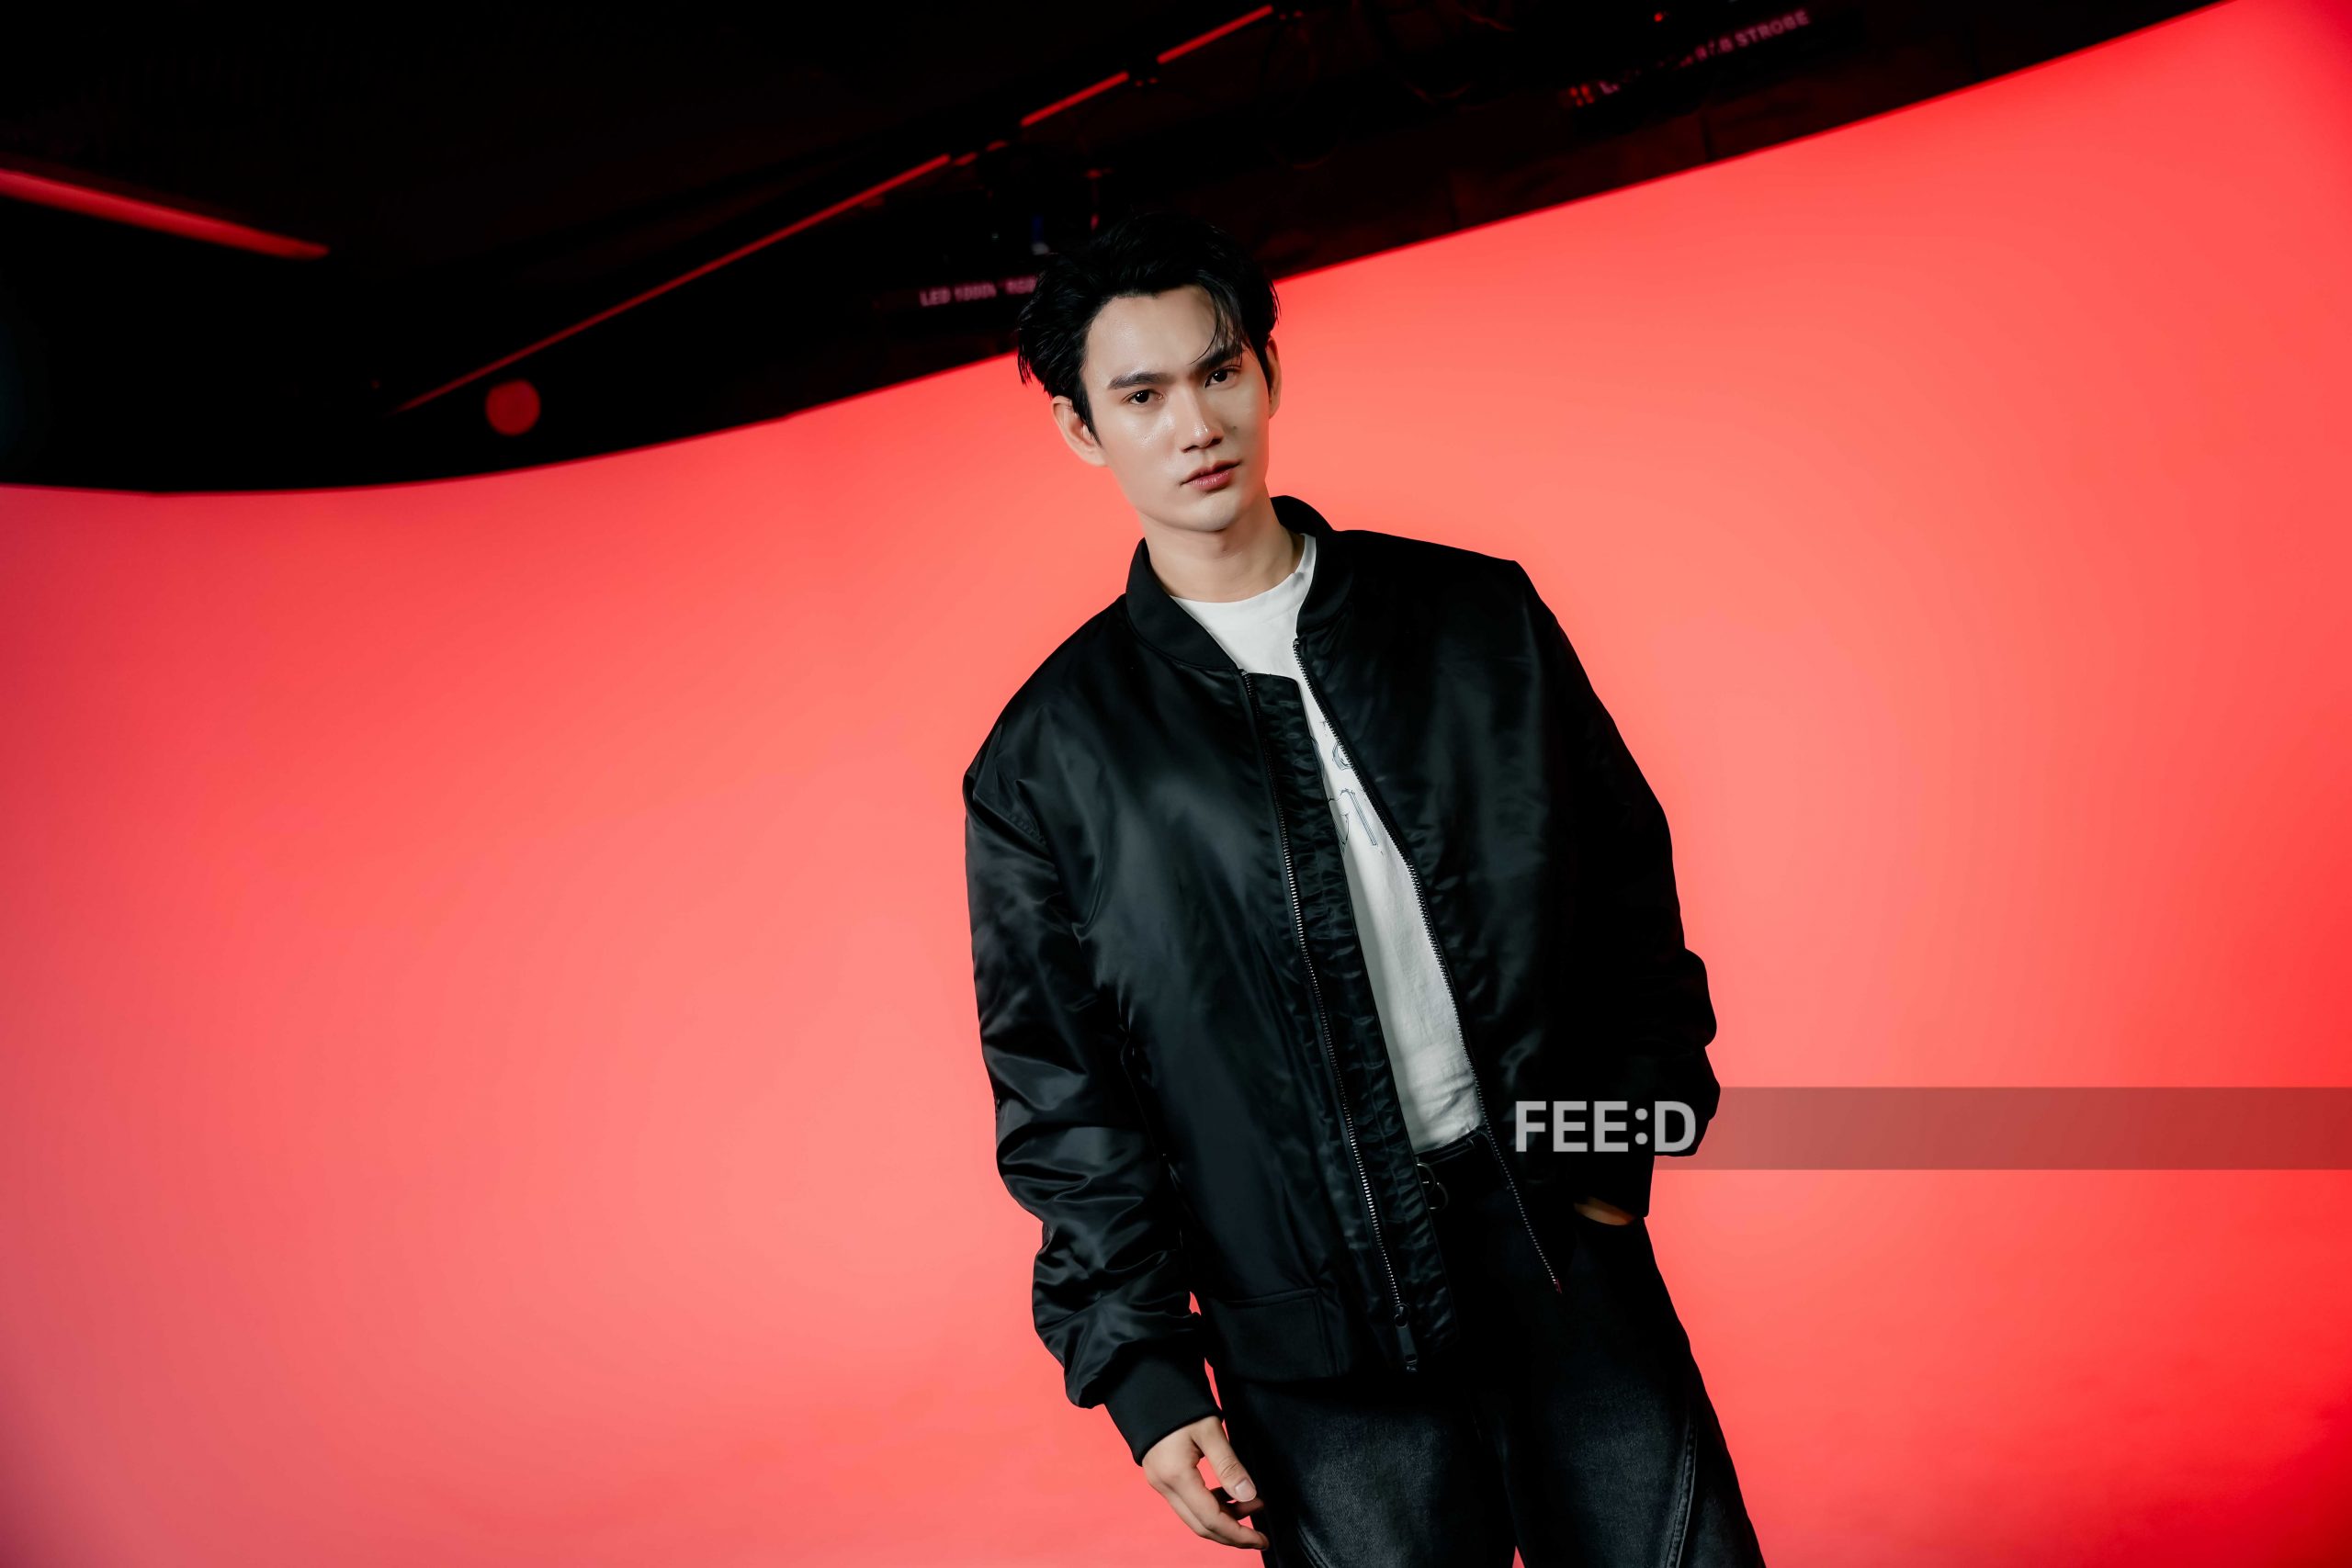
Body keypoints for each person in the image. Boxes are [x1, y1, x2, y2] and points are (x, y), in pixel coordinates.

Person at [963, 209, 1766, 1565]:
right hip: (1307, 1328)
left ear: (1268, 370)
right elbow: (1063, 1098)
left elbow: (1628, 896)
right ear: (1081, 430)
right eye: (1141, 396)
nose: (1195, 424)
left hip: (1559, 1246)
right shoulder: (1049, 761)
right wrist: (1149, 1380)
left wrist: (1613, 1153)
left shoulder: (1476, 620)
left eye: (1219, 371)